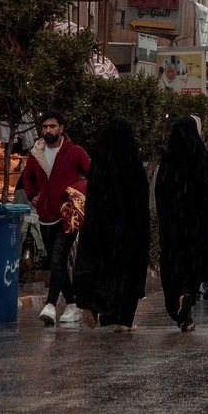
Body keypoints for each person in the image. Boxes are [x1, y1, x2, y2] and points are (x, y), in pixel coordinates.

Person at [74, 117, 149, 329]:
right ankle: (123, 320)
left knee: (102, 268)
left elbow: (94, 193)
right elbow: (141, 199)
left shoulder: (100, 161)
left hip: (101, 226)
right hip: (128, 230)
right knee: (126, 273)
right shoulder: (133, 162)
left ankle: (94, 304)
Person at [155, 117, 208, 331]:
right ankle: (187, 295)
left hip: (173, 227)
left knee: (172, 267)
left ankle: (178, 307)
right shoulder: (201, 157)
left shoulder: (168, 158)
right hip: (197, 226)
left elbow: (160, 193)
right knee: (192, 266)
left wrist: (166, 218)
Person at [21, 110, 91, 328]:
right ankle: (72, 303)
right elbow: (27, 177)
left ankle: (50, 305)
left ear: (62, 128)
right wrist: (33, 195)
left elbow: (92, 174)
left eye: (52, 126)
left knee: (56, 260)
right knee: (56, 261)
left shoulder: (75, 152)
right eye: (45, 127)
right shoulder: (36, 154)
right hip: (45, 217)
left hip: (66, 216)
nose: (48, 131)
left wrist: (78, 192)